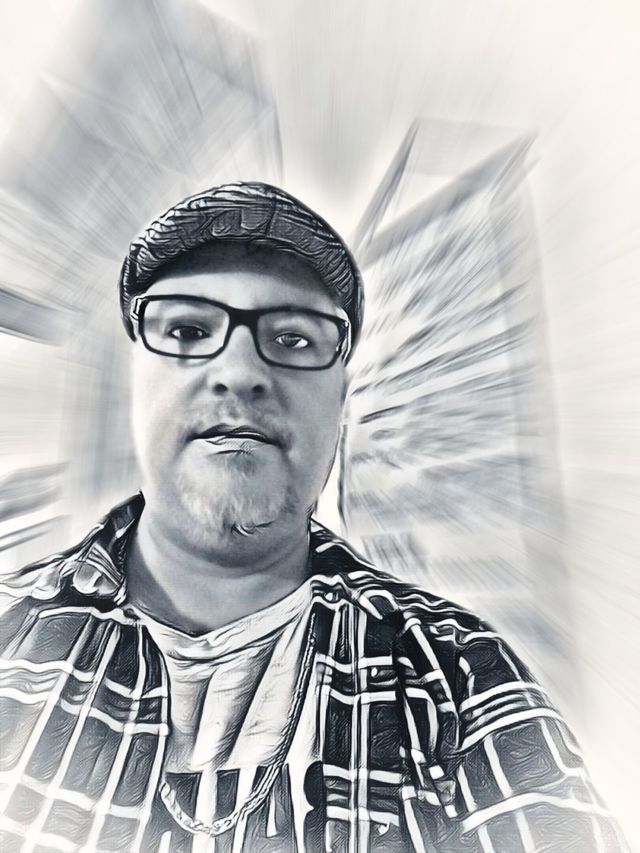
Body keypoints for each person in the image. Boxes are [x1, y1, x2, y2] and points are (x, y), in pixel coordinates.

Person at [0, 183, 628, 853]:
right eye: (187, 331)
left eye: (294, 338)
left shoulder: (461, 677)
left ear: (341, 402)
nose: (239, 372)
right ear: (137, 378)